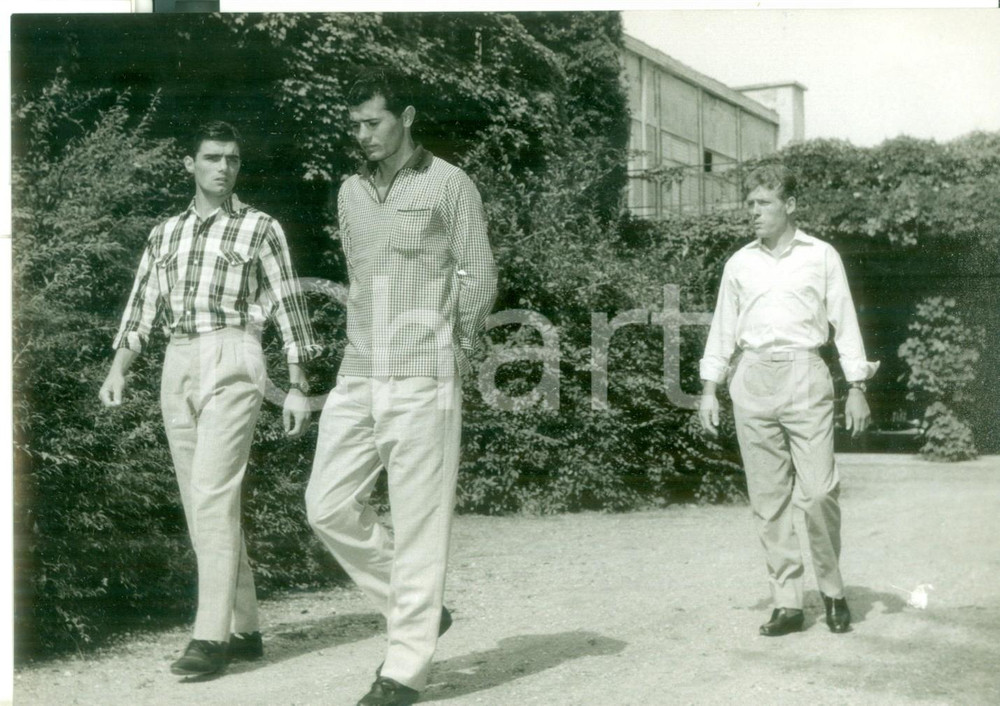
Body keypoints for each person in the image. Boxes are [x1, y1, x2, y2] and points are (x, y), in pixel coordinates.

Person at [99, 120, 321, 676]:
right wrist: (118, 369)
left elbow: (289, 304)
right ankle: (244, 626)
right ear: (190, 164)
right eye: (213, 158)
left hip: (234, 355)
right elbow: (141, 306)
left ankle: (209, 637)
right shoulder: (164, 233)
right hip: (177, 361)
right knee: (199, 500)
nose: (224, 168)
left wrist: (297, 384)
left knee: (212, 493)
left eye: (233, 160)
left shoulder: (259, 227)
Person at [305, 68, 497, 706]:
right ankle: (417, 606)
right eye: (354, 125)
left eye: (373, 122)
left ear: (406, 116)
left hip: (423, 372)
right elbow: (360, 281)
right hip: (360, 370)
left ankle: (404, 669)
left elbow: (477, 274)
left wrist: (454, 346)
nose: (362, 135)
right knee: (327, 505)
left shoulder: (449, 184)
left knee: (419, 524)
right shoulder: (349, 191)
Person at [698, 164, 878, 638]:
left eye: (763, 204)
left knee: (819, 491)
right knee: (768, 498)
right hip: (752, 375)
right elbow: (722, 327)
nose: (753, 213)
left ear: (790, 205)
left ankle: (833, 591)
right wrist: (709, 387)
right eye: (750, 205)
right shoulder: (739, 263)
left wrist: (857, 385)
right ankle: (788, 603)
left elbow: (844, 320)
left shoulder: (821, 256)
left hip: (805, 373)